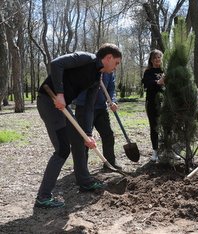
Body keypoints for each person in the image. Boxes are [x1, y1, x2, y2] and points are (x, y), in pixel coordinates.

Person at [35, 43, 122, 208]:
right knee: (62, 150)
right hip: (49, 100)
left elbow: (89, 107)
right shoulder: (86, 58)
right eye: (116, 63)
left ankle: (85, 182)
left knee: (79, 139)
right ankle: (43, 197)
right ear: (108, 58)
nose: (116, 67)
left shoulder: (97, 79)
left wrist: (88, 134)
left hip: (63, 105)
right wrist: (60, 93)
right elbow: (56, 64)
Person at [74, 72, 121, 171]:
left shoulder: (109, 72)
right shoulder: (88, 68)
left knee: (108, 135)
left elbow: (111, 89)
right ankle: (81, 168)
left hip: (101, 108)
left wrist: (113, 101)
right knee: (84, 138)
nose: (115, 67)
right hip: (83, 107)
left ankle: (110, 163)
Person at [141, 49, 165, 162]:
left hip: (166, 104)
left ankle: (168, 150)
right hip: (152, 103)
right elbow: (146, 84)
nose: (157, 59)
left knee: (167, 127)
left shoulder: (165, 71)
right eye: (154, 58)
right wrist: (157, 82)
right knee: (154, 127)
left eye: (159, 57)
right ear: (151, 60)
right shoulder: (148, 72)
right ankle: (155, 151)